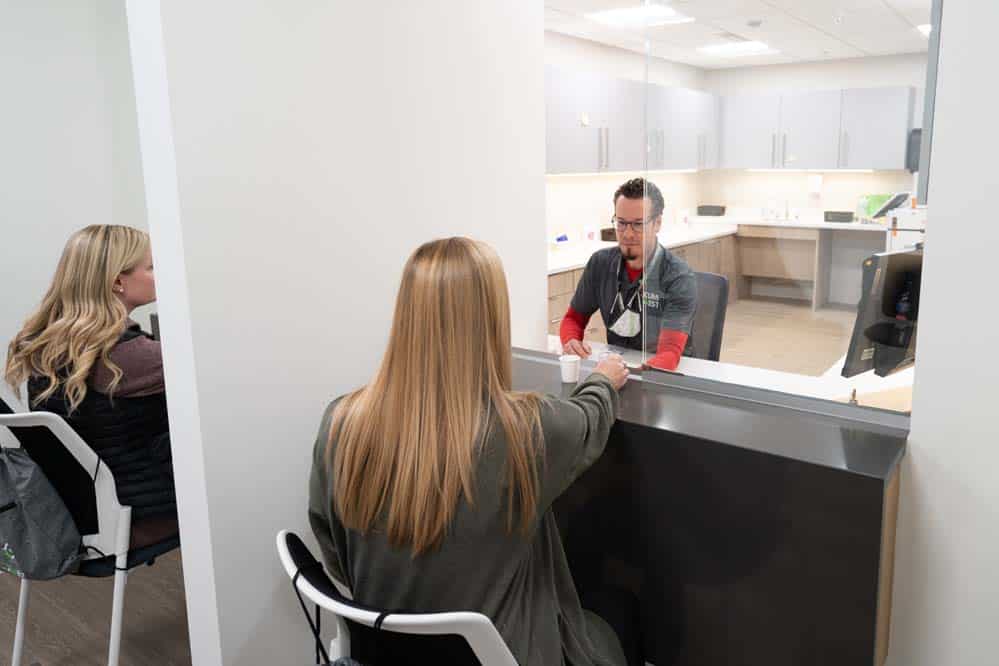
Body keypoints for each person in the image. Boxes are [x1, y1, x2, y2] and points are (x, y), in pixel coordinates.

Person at [309, 237, 631, 665]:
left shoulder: (340, 423)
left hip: (383, 654)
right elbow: (590, 418)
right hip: (502, 655)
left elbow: (332, 553)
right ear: (491, 320)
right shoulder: (526, 430)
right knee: (617, 616)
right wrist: (604, 379)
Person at [5, 225, 177, 547]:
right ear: (117, 282)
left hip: (83, 521)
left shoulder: (48, 349)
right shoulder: (132, 357)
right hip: (147, 513)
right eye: (152, 267)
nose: (162, 273)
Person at [560, 178, 697, 371]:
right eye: (621, 223)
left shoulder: (677, 277)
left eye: (638, 224)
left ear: (657, 223)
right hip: (617, 369)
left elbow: (669, 354)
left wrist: (618, 375)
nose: (628, 234)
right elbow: (573, 319)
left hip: (664, 376)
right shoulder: (600, 263)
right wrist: (571, 340)